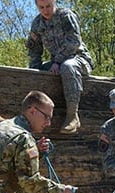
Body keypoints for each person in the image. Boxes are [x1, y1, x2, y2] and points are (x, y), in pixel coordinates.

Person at [27, 0, 94, 134]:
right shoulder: (37, 24)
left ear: (54, 3)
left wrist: (57, 61)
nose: (45, 10)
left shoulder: (66, 16)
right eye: (41, 7)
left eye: (48, 6)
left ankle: (72, 116)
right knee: (37, 71)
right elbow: (34, 50)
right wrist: (33, 72)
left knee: (67, 66)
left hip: (78, 58)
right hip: (57, 63)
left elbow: (74, 42)